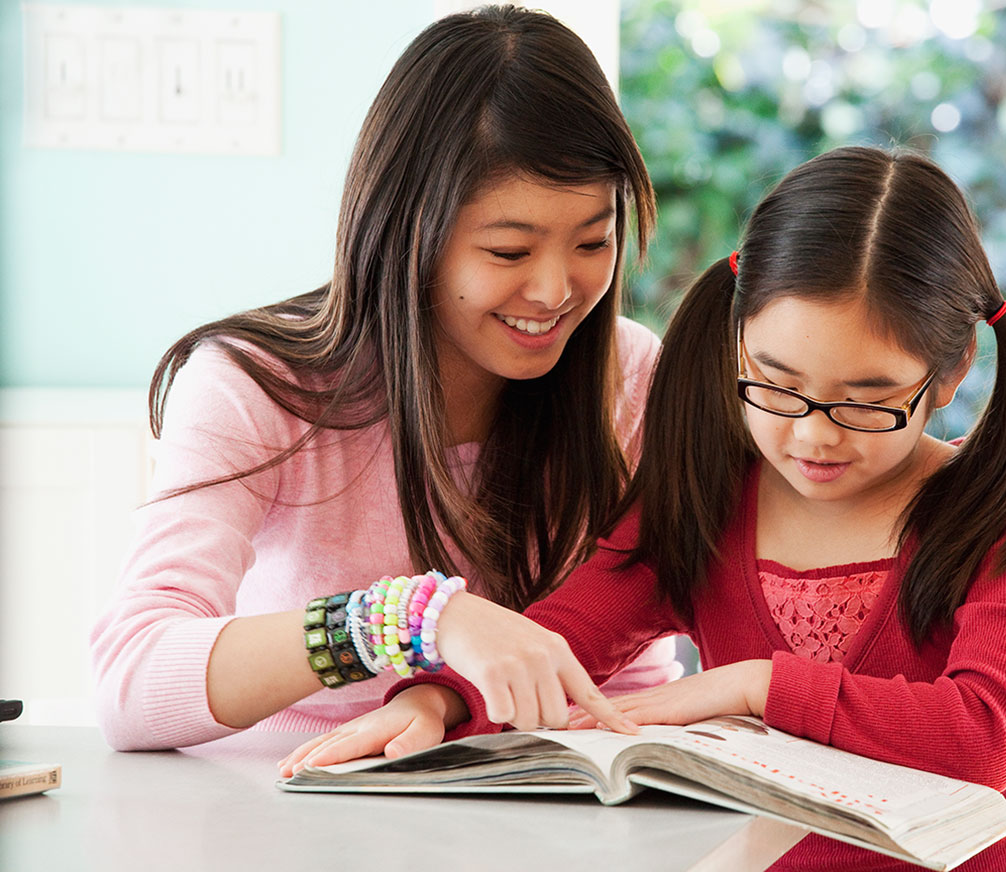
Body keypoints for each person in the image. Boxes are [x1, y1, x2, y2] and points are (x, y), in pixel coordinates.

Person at [281, 145, 1006, 871]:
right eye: (777, 385)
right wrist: (441, 698)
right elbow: (571, 632)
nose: (811, 435)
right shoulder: (704, 495)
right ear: (738, 340)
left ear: (948, 377)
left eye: (865, 401)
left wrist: (755, 686)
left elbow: (985, 738)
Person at [89, 4, 681, 752]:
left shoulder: (627, 375)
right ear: (408, 233)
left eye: (593, 242)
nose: (556, 290)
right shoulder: (254, 387)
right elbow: (130, 683)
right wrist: (398, 620)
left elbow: (625, 682)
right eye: (508, 252)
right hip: (285, 808)